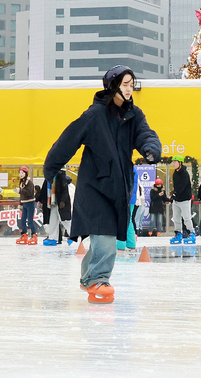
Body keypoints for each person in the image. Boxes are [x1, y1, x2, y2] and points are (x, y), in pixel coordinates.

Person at [44, 66, 161, 302]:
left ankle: (89, 278)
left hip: (118, 187)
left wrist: (150, 149)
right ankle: (99, 280)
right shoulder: (94, 115)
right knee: (105, 237)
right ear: (113, 86)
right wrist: (51, 168)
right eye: (125, 84)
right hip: (94, 186)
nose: (129, 89)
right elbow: (68, 140)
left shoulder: (134, 115)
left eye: (132, 84)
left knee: (103, 239)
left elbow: (146, 134)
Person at [168, 159, 195, 244]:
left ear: (180, 163)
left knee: (186, 217)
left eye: (175, 162)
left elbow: (182, 186)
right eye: (173, 162)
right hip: (177, 199)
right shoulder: (175, 173)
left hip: (185, 199)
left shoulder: (184, 174)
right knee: (176, 218)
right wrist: (174, 195)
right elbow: (176, 186)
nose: (173, 164)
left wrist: (175, 194)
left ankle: (192, 233)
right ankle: (178, 233)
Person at [15, 167, 38, 244]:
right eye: (20, 173)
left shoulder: (29, 182)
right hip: (24, 203)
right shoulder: (21, 182)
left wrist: (20, 191)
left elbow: (29, 193)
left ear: (26, 173)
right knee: (22, 220)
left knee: (30, 220)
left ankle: (34, 235)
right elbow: (22, 194)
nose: (21, 174)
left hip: (30, 203)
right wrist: (20, 203)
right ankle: (24, 235)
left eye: (22, 173)